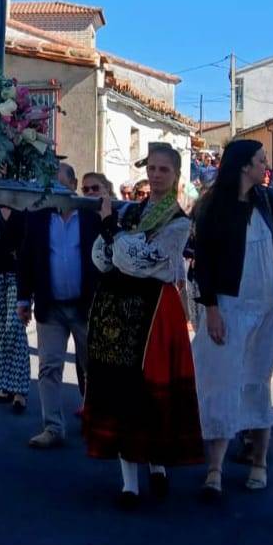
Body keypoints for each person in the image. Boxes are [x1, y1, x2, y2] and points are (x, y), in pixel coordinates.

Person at [81, 144, 203, 507]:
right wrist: (110, 235)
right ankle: (129, 483)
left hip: (152, 312)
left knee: (150, 390)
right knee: (120, 389)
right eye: (151, 168)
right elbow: (104, 260)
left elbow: (148, 261)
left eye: (163, 169)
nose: (155, 174)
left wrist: (112, 233)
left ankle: (157, 463)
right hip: (118, 306)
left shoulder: (178, 221)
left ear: (176, 175)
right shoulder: (131, 210)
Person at [191, 139, 273, 498]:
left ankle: (259, 462)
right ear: (243, 165)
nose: (265, 166)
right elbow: (203, 263)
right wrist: (210, 309)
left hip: (269, 307)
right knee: (221, 381)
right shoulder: (213, 206)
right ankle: (214, 469)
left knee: (257, 380)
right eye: (260, 160)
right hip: (228, 305)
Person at [17, 163, 101, 449]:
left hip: (85, 306)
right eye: (50, 185)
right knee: (49, 368)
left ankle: (97, 422)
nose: (54, 190)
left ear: (73, 185)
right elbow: (27, 258)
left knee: (94, 366)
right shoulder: (39, 217)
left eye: (60, 185)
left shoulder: (91, 217)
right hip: (50, 306)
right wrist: (23, 299)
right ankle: (52, 427)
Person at [0, 208, 30, 413]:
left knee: (15, 328)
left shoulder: (23, 207)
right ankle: (2, 385)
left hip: (18, 274)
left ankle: (20, 390)